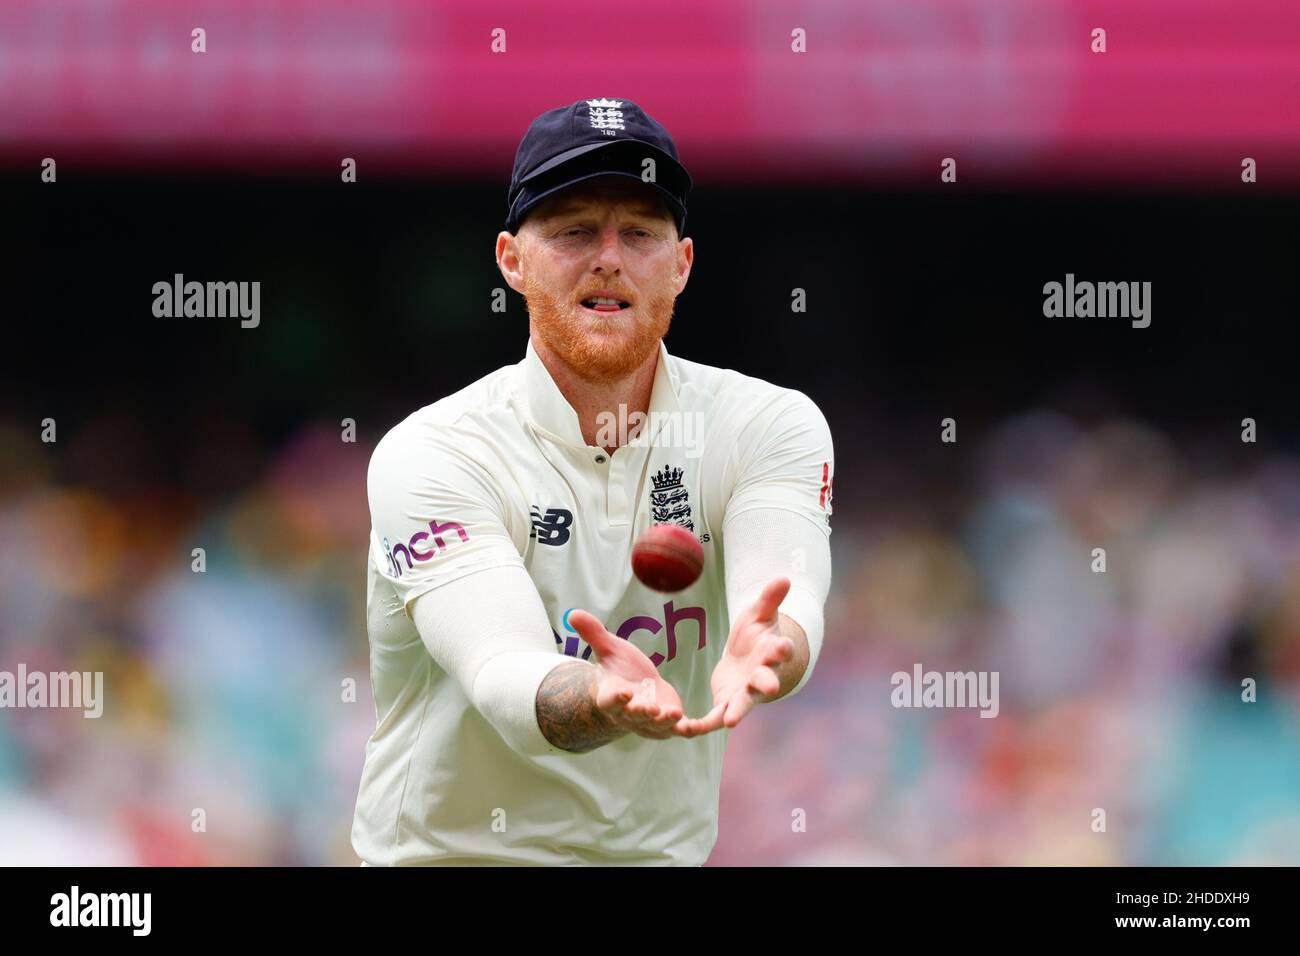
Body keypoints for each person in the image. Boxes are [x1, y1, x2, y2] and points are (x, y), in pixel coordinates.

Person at [352, 97, 834, 865]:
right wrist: (601, 698)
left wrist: (772, 644)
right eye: (574, 229)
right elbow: (502, 673)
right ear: (512, 259)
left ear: (681, 266)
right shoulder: (434, 452)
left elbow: (784, 598)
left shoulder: (767, 425)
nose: (609, 256)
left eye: (640, 233)